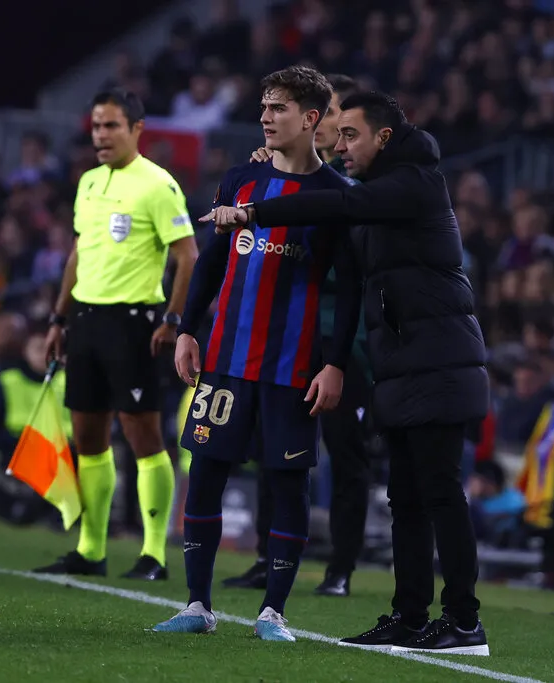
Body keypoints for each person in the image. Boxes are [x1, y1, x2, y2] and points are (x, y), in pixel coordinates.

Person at [204, 91, 490, 655]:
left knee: (438, 490)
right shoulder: (379, 192)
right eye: (338, 138)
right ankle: (409, 617)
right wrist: (280, 167)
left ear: (384, 137)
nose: (341, 146)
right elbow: (337, 201)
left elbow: (340, 204)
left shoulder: (416, 182)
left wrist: (257, 211)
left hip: (441, 361)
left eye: (351, 136)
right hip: (406, 362)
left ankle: (464, 621)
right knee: (405, 497)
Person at [152, 66, 362, 642]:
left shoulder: (336, 199)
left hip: (291, 367)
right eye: (264, 107)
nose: (266, 117)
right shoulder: (241, 180)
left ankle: (273, 612)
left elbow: (351, 290)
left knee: (288, 483)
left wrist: (335, 362)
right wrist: (189, 328)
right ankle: (197, 605)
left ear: (311, 118)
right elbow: (215, 261)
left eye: (279, 108)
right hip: (225, 358)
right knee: (205, 476)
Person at [35, 88, 199, 580]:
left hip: (134, 322)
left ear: (136, 129)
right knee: (87, 436)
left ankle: (154, 553)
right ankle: (91, 549)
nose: (101, 136)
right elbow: (78, 254)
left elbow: (187, 255)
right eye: (96, 126)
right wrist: (58, 318)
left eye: (111, 126)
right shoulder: (88, 183)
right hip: (85, 320)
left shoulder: (157, 184)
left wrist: (172, 319)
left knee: (143, 434)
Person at [224, 73, 373, 597]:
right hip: (290, 331)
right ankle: (269, 554)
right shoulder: (287, 175)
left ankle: (342, 567)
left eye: (337, 115)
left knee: (345, 451)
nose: (331, 123)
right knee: (274, 446)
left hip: (343, 341)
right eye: (327, 112)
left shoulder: (355, 189)